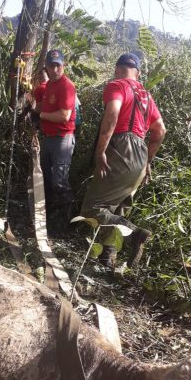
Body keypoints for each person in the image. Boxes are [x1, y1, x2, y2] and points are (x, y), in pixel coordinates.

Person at [80, 52, 166, 268]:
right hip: (140, 152)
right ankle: (108, 258)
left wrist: (101, 151)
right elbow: (160, 131)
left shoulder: (117, 85)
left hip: (121, 146)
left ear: (118, 69)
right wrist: (147, 162)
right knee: (117, 208)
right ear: (137, 73)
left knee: (93, 208)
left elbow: (112, 114)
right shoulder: (146, 95)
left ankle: (134, 234)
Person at [39, 49, 76, 211]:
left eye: (57, 66)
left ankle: (68, 219)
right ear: (46, 66)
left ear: (63, 66)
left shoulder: (66, 86)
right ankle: (51, 213)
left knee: (59, 181)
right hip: (48, 137)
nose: (54, 70)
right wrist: (32, 107)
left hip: (62, 138)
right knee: (46, 176)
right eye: (51, 66)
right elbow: (45, 107)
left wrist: (40, 115)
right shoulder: (49, 85)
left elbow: (64, 116)